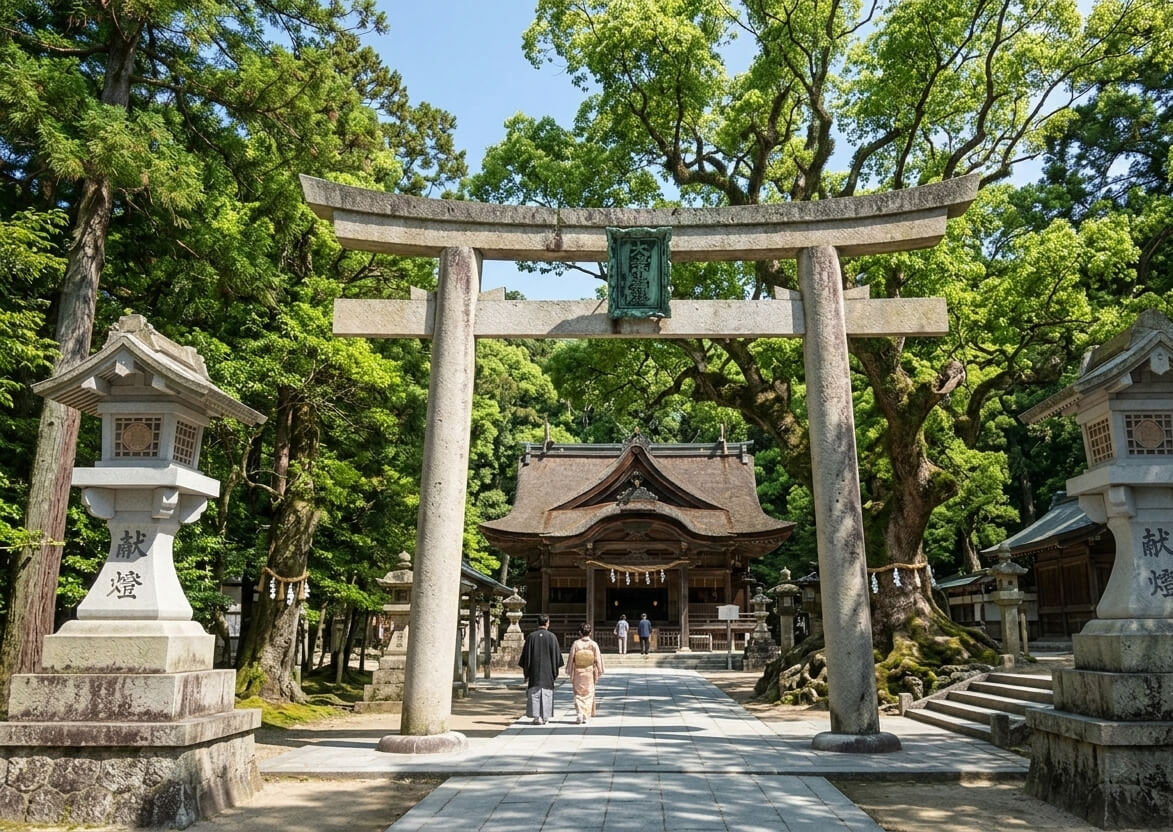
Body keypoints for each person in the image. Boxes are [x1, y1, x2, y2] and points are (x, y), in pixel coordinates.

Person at [519, 613, 563, 724]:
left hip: (534, 671)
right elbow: (557, 657)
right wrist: (555, 671)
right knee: (547, 693)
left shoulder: (531, 637)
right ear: (547, 623)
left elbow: (526, 656)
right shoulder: (552, 637)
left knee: (535, 693)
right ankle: (545, 717)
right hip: (548, 672)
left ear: (537, 623)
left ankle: (536, 716)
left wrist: (527, 673)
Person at [567, 623, 605, 724]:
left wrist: (569, 670)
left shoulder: (576, 644)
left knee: (578, 693)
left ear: (580, 633)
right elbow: (597, 658)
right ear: (590, 633)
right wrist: (600, 670)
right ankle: (585, 716)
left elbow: (571, 658)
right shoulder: (593, 644)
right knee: (588, 693)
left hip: (578, 671)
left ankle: (579, 712)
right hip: (589, 671)